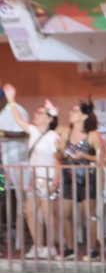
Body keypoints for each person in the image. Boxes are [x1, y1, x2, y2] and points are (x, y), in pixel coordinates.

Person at [1, 86, 60, 258]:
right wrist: (11, 100)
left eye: (41, 113)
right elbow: (18, 120)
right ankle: (37, 245)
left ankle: (50, 245)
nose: (37, 114)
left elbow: (58, 160)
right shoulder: (33, 131)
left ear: (49, 119)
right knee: (30, 212)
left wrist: (55, 181)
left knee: (47, 214)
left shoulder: (53, 137)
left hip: (48, 179)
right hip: (34, 179)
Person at [58, 100, 103, 261]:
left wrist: (84, 156)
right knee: (64, 213)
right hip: (68, 177)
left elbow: (101, 158)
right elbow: (59, 155)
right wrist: (58, 149)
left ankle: (93, 249)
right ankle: (70, 248)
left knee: (88, 215)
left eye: (75, 111)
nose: (71, 113)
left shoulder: (92, 135)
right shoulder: (66, 133)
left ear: (84, 116)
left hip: (87, 178)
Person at [0, 87, 30, 252]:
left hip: (18, 164)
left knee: (21, 203)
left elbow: (25, 133)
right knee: (2, 200)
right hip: (2, 167)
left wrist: (3, 133)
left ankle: (20, 239)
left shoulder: (18, 111)